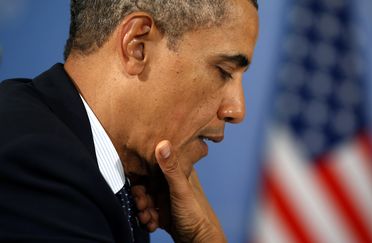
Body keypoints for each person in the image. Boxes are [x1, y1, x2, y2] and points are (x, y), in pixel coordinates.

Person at [0, 0, 259, 242]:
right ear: (137, 46)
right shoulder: (34, 163)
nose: (237, 110)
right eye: (224, 71)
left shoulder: (121, 190)